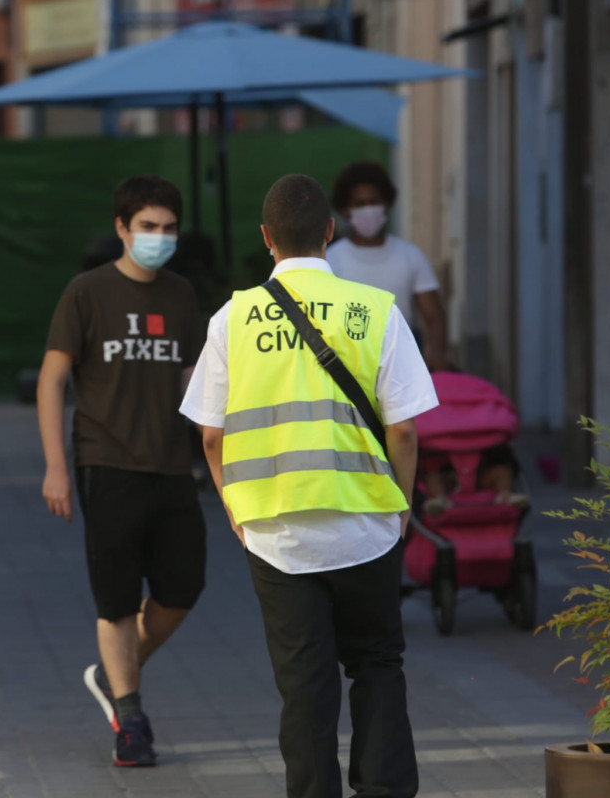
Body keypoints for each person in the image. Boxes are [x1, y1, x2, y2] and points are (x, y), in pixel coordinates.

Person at [181, 174, 436, 798]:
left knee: (304, 685)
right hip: (369, 524)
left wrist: (234, 507)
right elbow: (404, 430)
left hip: (275, 533)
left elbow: (210, 437)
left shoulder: (232, 319)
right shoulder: (374, 309)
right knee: (377, 664)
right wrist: (400, 505)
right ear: (330, 230)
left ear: (266, 238)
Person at [38, 174, 206, 768]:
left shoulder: (182, 295)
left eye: (168, 229)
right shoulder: (87, 293)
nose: (158, 238)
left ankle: (114, 674)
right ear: (122, 229)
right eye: (147, 228)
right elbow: (52, 380)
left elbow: (194, 381)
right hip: (104, 464)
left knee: (182, 589)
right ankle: (130, 719)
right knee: (115, 601)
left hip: (170, 466)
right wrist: (56, 468)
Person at [327, 161, 450, 371]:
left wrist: (436, 356)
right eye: (360, 204)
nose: (368, 209)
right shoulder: (331, 260)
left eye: (374, 202)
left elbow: (434, 317)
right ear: (345, 209)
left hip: (402, 365)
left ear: (387, 203)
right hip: (348, 367)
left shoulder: (411, 256)